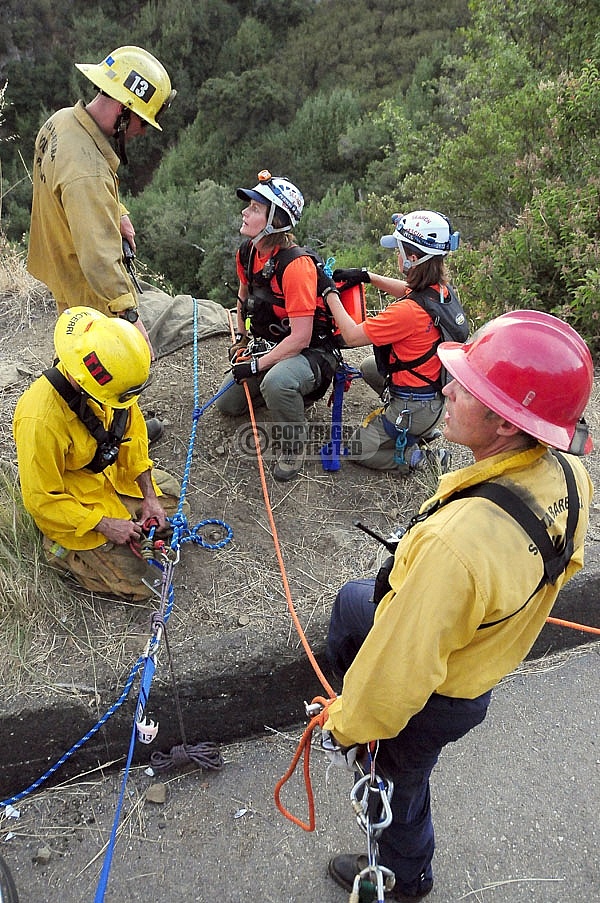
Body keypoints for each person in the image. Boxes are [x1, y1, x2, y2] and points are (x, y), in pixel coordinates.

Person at [321, 310, 594, 900]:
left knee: (396, 779)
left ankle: (403, 877)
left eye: (464, 386)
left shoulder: (458, 547)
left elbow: (401, 673)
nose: (445, 388)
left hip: (440, 690)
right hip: (477, 654)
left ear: (503, 423)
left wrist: (346, 723)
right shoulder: (570, 477)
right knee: (351, 605)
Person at [27, 45, 176, 443]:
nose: (142, 131)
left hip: (58, 254)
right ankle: (111, 437)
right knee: (103, 360)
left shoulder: (62, 123)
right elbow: (98, 258)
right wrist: (130, 317)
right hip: (83, 277)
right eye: (141, 122)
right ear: (123, 108)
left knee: (74, 350)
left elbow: (75, 188)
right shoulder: (87, 172)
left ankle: (80, 424)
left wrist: (119, 211)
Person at [13, 307, 186, 602]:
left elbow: (133, 439)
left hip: (106, 479)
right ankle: (62, 554)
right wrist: (105, 525)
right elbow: (41, 500)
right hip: (72, 504)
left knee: (172, 497)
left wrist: (150, 498)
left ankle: (130, 518)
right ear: (84, 381)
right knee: (146, 582)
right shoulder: (40, 420)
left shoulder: (110, 384)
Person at [215, 169, 339, 481]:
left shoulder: (296, 267)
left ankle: (294, 445)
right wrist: (242, 340)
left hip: (312, 354)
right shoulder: (247, 253)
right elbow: (245, 295)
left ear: (276, 221)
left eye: (255, 208)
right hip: (271, 345)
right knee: (229, 404)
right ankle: (284, 395)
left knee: (276, 383)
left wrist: (257, 367)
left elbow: (300, 337)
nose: (245, 212)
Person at [325, 210, 467, 473]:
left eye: (399, 250)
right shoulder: (441, 292)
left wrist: (329, 293)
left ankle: (419, 459)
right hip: (433, 396)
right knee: (370, 367)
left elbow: (352, 335)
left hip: (415, 408)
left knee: (355, 449)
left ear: (413, 259)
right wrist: (368, 276)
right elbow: (408, 291)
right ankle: (419, 430)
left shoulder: (405, 314)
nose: (397, 255)